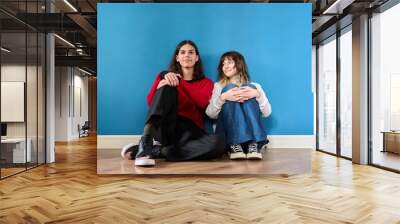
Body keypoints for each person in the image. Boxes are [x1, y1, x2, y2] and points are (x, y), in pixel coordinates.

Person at [121, 40, 225, 167]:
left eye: (191, 52)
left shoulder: (207, 83)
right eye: (183, 52)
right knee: (167, 87)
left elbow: (201, 102)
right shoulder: (166, 76)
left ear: (196, 58)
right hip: (168, 126)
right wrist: (162, 81)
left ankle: (159, 151)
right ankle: (146, 142)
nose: (187, 55)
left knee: (219, 143)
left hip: (192, 132)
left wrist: (179, 82)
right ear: (177, 58)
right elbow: (151, 103)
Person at [206, 51, 271, 160]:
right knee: (229, 87)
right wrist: (223, 97)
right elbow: (210, 114)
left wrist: (257, 95)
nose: (225, 66)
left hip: (250, 140)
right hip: (228, 137)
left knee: (249, 87)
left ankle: (252, 144)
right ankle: (235, 144)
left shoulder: (255, 86)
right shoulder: (218, 86)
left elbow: (267, 113)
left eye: (229, 62)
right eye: (223, 64)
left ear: (239, 64)